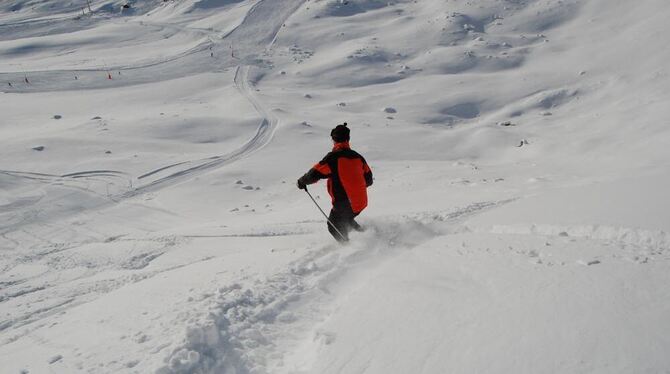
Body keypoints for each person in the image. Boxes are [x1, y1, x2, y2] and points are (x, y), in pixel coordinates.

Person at [297, 123, 373, 242]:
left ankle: (348, 247)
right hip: (361, 202)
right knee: (347, 218)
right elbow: (369, 180)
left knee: (333, 225)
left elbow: (314, 174)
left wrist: (301, 182)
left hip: (345, 203)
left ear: (333, 140)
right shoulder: (358, 157)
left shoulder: (333, 158)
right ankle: (368, 235)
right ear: (348, 139)